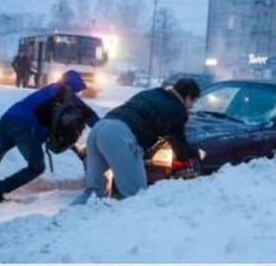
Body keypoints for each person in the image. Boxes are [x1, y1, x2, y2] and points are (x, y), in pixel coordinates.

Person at [0, 70, 99, 205]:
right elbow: (90, 116)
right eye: (77, 91)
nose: (77, 95)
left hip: (6, 120)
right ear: (74, 86)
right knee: (37, 167)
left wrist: (77, 150)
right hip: (23, 127)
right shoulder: (66, 93)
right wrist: (103, 129)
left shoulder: (50, 90)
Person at [73, 78, 201, 204]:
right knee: (137, 197)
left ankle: (63, 221)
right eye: (193, 102)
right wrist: (195, 155)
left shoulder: (155, 92)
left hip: (99, 128)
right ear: (188, 97)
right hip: (119, 135)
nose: (192, 106)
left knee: (93, 195)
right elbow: (179, 145)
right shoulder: (178, 110)